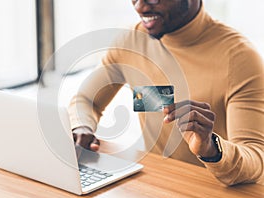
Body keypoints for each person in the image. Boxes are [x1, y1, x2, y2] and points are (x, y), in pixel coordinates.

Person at [68, 0, 264, 186]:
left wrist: (210, 148)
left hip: (218, 191)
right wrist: (82, 126)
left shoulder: (240, 58)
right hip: (159, 185)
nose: (140, 7)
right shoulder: (131, 41)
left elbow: (256, 158)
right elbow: (87, 100)